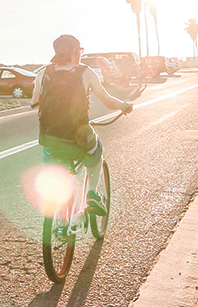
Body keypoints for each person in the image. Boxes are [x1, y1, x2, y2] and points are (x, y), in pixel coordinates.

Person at [32, 34, 132, 215]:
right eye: (80, 51)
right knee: (97, 152)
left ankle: (60, 220)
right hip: (79, 138)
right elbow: (107, 101)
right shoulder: (85, 72)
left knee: (56, 167)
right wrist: (125, 106)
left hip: (49, 139)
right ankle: (92, 194)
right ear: (74, 52)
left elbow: (34, 101)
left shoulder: (43, 74)